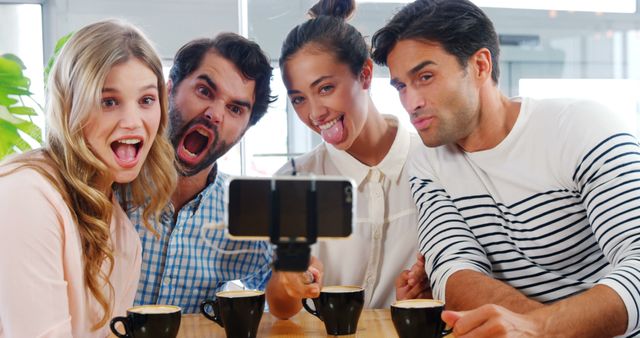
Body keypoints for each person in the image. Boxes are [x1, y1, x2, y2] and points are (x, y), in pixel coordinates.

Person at [371, 0, 640, 337]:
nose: (411, 103)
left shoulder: (582, 127)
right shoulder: (427, 161)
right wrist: (535, 330)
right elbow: (454, 271)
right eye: (400, 86)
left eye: (425, 77)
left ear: (480, 65)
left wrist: (540, 328)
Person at [0, 19, 176, 337]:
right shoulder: (25, 196)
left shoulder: (124, 237)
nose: (133, 121)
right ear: (70, 108)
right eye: (108, 101)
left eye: (147, 100)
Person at [265, 0, 429, 319]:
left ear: (365, 74)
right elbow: (281, 308)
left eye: (325, 88)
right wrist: (289, 282)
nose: (314, 113)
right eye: (299, 99)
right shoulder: (295, 180)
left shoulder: (433, 164)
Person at [127, 33, 280, 314]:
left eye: (235, 108)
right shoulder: (107, 189)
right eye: (205, 92)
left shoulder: (249, 213)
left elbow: (282, 297)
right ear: (168, 90)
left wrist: (298, 277)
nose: (215, 114)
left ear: (244, 130)